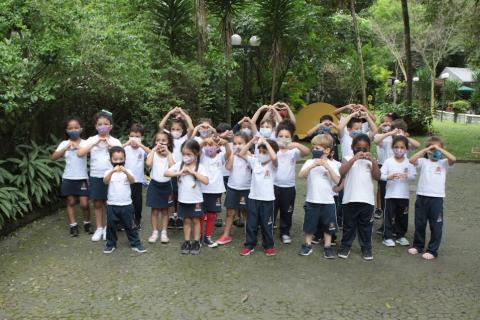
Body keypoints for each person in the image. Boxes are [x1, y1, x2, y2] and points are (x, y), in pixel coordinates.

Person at [408, 136, 456, 260]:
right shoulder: (424, 162)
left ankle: (433, 250)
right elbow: (411, 160)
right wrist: (426, 149)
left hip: (436, 199)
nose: (434, 152)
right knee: (420, 222)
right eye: (432, 150)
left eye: (437, 150)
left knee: (436, 225)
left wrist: (440, 149)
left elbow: (453, 159)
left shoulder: (444, 163)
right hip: (422, 196)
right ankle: (418, 245)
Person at [78, 110, 122, 242]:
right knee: (97, 203)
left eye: (106, 124)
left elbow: (121, 155)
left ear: (111, 126)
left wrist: (110, 145)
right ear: (96, 126)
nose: (103, 126)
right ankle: (99, 228)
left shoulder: (115, 141)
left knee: (109, 203)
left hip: (112, 176)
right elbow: (80, 153)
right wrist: (94, 144)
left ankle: (108, 228)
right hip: (96, 175)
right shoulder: (91, 140)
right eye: (100, 124)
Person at [337, 134, 380, 261]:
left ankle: (366, 248)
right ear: (352, 147)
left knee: (366, 226)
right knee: (348, 225)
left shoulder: (371, 160)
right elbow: (341, 172)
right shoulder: (347, 158)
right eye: (358, 148)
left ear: (369, 148)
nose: (361, 151)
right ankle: (346, 246)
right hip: (350, 198)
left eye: (364, 148)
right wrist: (353, 159)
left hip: (367, 200)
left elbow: (377, 177)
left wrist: (373, 161)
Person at [298, 134, 340, 258]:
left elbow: (338, 181)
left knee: (328, 225)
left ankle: (327, 247)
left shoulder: (332, 164)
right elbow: (301, 175)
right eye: (314, 147)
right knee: (309, 224)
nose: (314, 150)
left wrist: (327, 167)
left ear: (327, 150)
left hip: (328, 201)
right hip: (312, 200)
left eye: (318, 148)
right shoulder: (309, 162)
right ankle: (307, 245)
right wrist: (313, 166)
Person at [164, 139, 209, 255]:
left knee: (196, 220)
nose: (186, 157)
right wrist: (179, 173)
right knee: (187, 220)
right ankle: (187, 241)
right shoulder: (180, 165)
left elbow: (206, 181)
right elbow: (166, 173)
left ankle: (196, 242)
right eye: (183, 154)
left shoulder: (201, 166)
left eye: (189, 154)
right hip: (183, 199)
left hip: (196, 200)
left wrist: (193, 172)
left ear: (196, 154)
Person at [51, 117, 92, 237]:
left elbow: (90, 153)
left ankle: (87, 223)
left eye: (76, 127)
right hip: (68, 177)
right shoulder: (64, 143)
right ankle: (73, 226)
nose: (73, 130)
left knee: (84, 203)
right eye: (70, 128)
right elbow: (53, 157)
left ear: (81, 129)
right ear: (66, 130)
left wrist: (78, 147)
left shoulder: (85, 143)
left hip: (82, 177)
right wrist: (65, 148)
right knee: (70, 201)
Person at [102, 146, 147, 254]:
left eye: (121, 159)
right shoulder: (108, 171)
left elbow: (132, 181)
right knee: (111, 226)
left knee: (130, 225)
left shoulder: (128, 171)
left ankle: (136, 244)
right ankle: (110, 244)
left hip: (127, 204)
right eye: (115, 160)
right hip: (112, 204)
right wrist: (112, 172)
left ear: (125, 159)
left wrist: (126, 172)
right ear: (110, 160)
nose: (118, 162)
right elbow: (105, 181)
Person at [239, 136, 278, 256]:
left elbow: (274, 157)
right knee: (251, 223)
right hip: (253, 198)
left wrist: (266, 142)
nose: (261, 154)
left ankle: (269, 246)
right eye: (259, 151)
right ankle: (249, 245)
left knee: (267, 224)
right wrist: (252, 141)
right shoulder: (255, 161)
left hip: (267, 200)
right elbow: (241, 153)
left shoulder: (273, 164)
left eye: (264, 152)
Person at [374, 118, 420, 219]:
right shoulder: (387, 140)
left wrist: (404, 137)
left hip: (401, 175)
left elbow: (417, 145)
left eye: (399, 130)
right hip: (388, 173)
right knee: (385, 198)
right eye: (395, 129)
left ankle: (397, 223)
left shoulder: (405, 143)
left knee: (399, 200)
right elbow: (376, 141)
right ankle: (386, 222)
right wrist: (390, 133)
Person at [274, 120, 310, 243]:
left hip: (288, 187)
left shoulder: (293, 151)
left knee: (287, 211)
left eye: (287, 137)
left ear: (291, 137)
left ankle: (285, 232)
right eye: (280, 136)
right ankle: (268, 228)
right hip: (273, 186)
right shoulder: (273, 149)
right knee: (271, 209)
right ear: (276, 136)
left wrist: (296, 144)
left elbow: (307, 152)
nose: (283, 139)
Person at [159, 107, 194, 229]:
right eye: (173, 129)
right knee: (171, 193)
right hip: (171, 169)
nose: (175, 131)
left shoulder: (185, 138)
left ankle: (180, 216)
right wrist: (170, 113)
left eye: (178, 129)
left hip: (182, 169)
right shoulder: (169, 137)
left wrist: (183, 114)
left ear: (182, 130)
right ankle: (171, 216)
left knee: (180, 193)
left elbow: (191, 127)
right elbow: (161, 125)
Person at [216, 132, 252, 245]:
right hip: (232, 188)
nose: (237, 146)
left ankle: (249, 235)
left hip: (246, 188)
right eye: (235, 143)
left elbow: (254, 167)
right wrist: (232, 155)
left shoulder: (250, 156)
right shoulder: (232, 155)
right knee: (230, 212)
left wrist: (245, 155)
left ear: (246, 144)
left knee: (246, 212)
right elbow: (228, 167)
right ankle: (226, 235)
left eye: (240, 143)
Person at [380, 136, 416, 247]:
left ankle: (401, 236)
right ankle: (387, 236)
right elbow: (381, 175)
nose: (399, 149)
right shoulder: (388, 161)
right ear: (392, 148)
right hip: (390, 195)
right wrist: (388, 177)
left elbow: (414, 176)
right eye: (396, 147)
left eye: (402, 147)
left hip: (404, 195)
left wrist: (407, 175)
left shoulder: (409, 162)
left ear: (406, 149)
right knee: (389, 216)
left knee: (402, 216)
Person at [199, 136, 231, 247]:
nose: (209, 147)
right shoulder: (202, 156)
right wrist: (203, 142)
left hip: (216, 190)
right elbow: (196, 151)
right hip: (202, 189)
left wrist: (226, 144)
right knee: (201, 214)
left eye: (211, 144)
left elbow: (228, 153)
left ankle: (207, 236)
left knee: (212, 215)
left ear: (217, 146)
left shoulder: (221, 156)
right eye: (207, 145)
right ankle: (199, 236)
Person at [146, 131, 175, 244]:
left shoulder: (170, 154)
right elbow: (148, 163)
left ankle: (164, 232)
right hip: (154, 185)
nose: (160, 143)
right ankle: (154, 232)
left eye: (163, 141)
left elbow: (173, 167)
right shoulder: (153, 154)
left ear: (168, 142)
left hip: (166, 186)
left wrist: (168, 153)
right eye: (158, 140)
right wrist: (153, 150)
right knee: (154, 210)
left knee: (165, 211)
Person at [123, 124, 151, 229]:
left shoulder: (142, 150)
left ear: (142, 137)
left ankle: (137, 219)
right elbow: (115, 151)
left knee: (137, 201)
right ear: (128, 136)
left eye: (137, 136)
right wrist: (127, 143)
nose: (134, 139)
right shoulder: (125, 149)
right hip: (125, 180)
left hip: (138, 180)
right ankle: (125, 219)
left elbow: (152, 153)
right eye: (132, 136)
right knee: (125, 199)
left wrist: (141, 145)